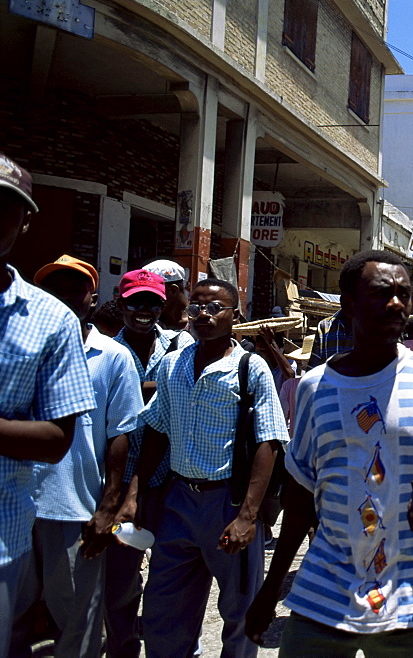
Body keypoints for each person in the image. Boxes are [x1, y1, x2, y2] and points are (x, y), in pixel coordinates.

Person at [244, 250, 413, 655]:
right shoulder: (315, 389)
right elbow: (301, 496)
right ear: (348, 303)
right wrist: (270, 588)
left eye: (404, 294)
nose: (396, 303)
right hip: (326, 585)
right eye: (381, 293)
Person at [115, 278, 288, 657]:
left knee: (240, 615)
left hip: (228, 504)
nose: (204, 315)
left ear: (235, 315)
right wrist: (135, 494)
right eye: (196, 307)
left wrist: (248, 515)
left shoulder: (250, 367)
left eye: (215, 308)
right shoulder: (173, 364)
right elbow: (157, 432)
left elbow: (268, 442)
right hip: (179, 502)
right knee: (163, 612)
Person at [12, 257, 143, 657]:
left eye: (76, 289)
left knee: (78, 623)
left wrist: (109, 504)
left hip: (73, 507)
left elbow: (121, 434)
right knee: (12, 616)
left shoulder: (113, 357)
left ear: (93, 296)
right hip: (14, 502)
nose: (66, 297)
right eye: (56, 289)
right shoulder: (20, 344)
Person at [0, 152, 96, 654]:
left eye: (5, 206)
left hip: (14, 525)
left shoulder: (51, 325)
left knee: (65, 613)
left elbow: (64, 438)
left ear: (25, 221)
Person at [105, 268, 195, 657]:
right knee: (120, 581)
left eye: (153, 302)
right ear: (121, 305)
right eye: (135, 302)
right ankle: (124, 646)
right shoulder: (106, 351)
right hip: (117, 483)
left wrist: (132, 388)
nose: (144, 310)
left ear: (164, 304)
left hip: (169, 479)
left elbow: (191, 388)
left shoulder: (180, 345)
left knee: (169, 580)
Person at [141, 259, 190, 332]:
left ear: (173, 290)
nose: (146, 300)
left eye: (152, 294)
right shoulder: (146, 322)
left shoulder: (200, 321)